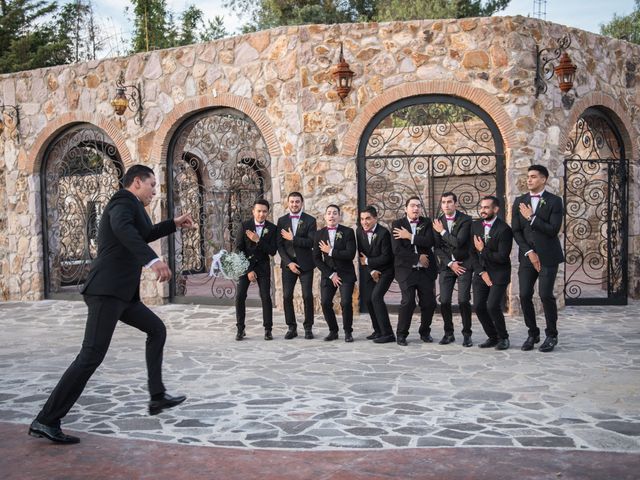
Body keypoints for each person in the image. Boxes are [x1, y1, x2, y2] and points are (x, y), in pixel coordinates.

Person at [29, 164, 194, 445]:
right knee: (90, 356)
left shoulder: (134, 207)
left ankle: (157, 397)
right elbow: (123, 231)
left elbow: (143, 233)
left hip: (122, 295)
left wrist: (174, 224)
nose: (155, 190)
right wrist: (153, 260)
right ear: (137, 182)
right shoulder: (121, 202)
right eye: (152, 185)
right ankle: (46, 419)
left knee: (156, 330)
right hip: (106, 291)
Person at [512, 165, 564, 352]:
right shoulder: (519, 201)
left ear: (543, 179)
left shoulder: (555, 201)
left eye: (533, 177)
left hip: (548, 256)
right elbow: (516, 231)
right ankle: (532, 333)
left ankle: (551, 335)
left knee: (545, 295)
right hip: (528, 257)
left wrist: (532, 218)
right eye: (528, 177)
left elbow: (553, 229)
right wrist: (529, 252)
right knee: (525, 295)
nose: (529, 180)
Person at [391, 196, 438, 346]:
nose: (416, 208)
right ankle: (401, 334)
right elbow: (397, 250)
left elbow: (430, 241)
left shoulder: (426, 223)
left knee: (429, 303)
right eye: (412, 205)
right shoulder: (397, 224)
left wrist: (410, 236)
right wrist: (417, 257)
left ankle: (425, 332)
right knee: (408, 301)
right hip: (406, 270)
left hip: (425, 271)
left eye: (418, 206)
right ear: (406, 209)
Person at [470, 196, 513, 351]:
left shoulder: (504, 230)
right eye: (481, 207)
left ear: (495, 210)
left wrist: (483, 250)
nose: (483, 210)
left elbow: (502, 257)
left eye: (487, 207)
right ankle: (492, 336)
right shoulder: (475, 226)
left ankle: (504, 338)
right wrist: (481, 272)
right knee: (479, 306)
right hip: (481, 273)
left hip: (499, 273)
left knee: (493, 306)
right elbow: (471, 253)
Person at [433, 192, 474, 347]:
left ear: (455, 203)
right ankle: (448, 333)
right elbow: (437, 248)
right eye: (443, 202)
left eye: (449, 202)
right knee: (443, 301)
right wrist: (450, 263)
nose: (446, 205)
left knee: (463, 300)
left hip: (464, 264)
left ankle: (467, 334)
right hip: (447, 266)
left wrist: (442, 231)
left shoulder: (465, 220)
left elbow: (458, 242)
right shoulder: (437, 221)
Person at [235, 198, 277, 341]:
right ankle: (240, 329)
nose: (261, 214)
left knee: (266, 297)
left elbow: (272, 251)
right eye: (258, 211)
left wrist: (258, 240)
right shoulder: (244, 225)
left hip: (263, 267)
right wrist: (248, 270)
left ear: (268, 212)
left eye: (264, 211)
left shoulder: (272, 228)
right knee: (240, 296)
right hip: (246, 266)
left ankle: (268, 329)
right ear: (253, 211)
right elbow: (238, 249)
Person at [276, 192, 317, 339]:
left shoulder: (310, 220)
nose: (294, 204)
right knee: (287, 296)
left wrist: (294, 239)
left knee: (307, 296)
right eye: (292, 202)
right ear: (288, 203)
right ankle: (291, 327)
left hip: (306, 264)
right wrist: (289, 263)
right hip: (289, 265)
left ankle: (308, 328)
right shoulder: (281, 221)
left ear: (302, 203)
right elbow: (280, 246)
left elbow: (311, 242)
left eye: (297, 202)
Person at [313, 204, 356, 342]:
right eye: (329, 213)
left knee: (346, 302)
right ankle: (333, 330)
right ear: (325, 216)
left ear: (339, 216)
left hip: (346, 273)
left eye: (335, 213)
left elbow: (350, 254)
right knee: (325, 303)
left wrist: (330, 251)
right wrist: (331, 274)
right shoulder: (319, 234)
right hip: (328, 274)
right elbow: (316, 258)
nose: (332, 215)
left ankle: (348, 331)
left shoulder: (348, 232)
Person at [356, 205, 395, 344]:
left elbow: (387, 257)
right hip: (370, 271)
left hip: (386, 271)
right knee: (368, 300)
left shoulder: (384, 233)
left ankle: (388, 333)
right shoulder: (359, 232)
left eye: (368, 219)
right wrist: (371, 270)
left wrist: (368, 261)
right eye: (362, 219)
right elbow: (361, 256)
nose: (364, 222)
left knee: (376, 297)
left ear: (375, 218)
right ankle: (377, 330)